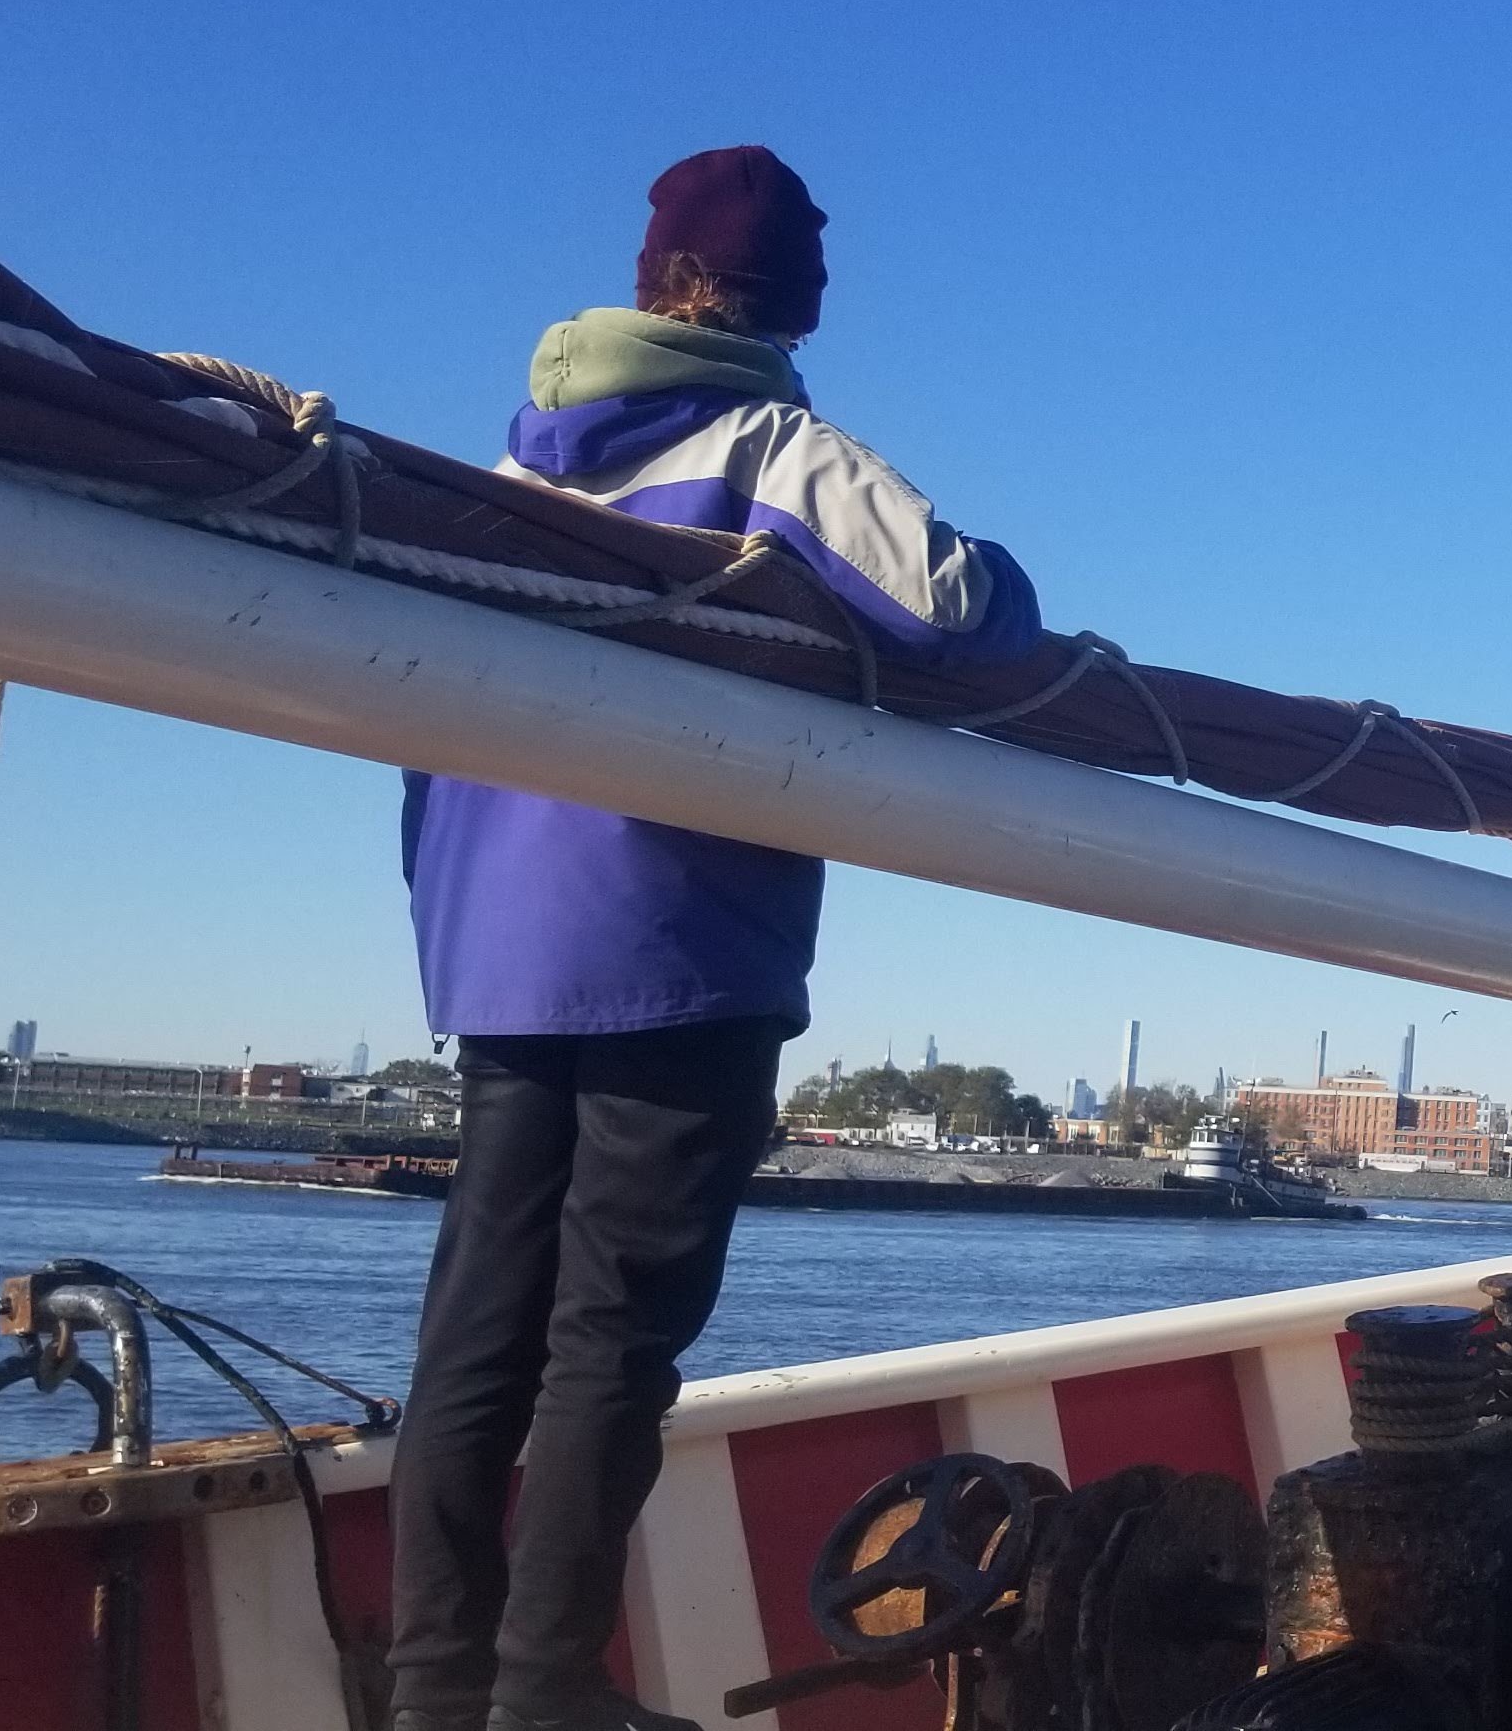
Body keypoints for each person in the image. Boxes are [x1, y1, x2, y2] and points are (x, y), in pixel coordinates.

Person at [389, 148, 1039, 1731]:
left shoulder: (517, 464)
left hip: (497, 951)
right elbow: (957, 610)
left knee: (477, 1329)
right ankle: (545, 1693)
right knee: (611, 1339)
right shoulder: (766, 441)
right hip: (677, 944)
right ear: (786, 296)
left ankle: (428, 1694)